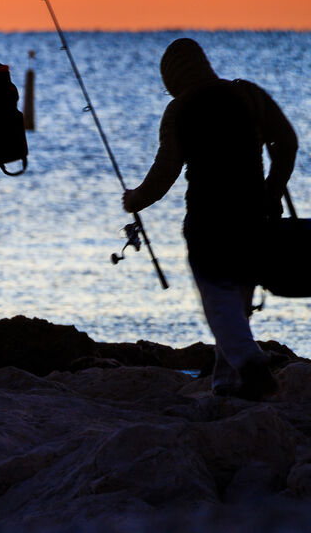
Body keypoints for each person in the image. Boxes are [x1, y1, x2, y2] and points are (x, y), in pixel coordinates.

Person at [123, 37, 298, 400]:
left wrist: (135, 200)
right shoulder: (247, 94)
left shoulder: (179, 110)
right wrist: (272, 188)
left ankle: (251, 365)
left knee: (219, 300)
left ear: (171, 78)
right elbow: (288, 141)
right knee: (238, 298)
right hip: (254, 213)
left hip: (207, 220)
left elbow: (165, 171)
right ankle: (227, 382)